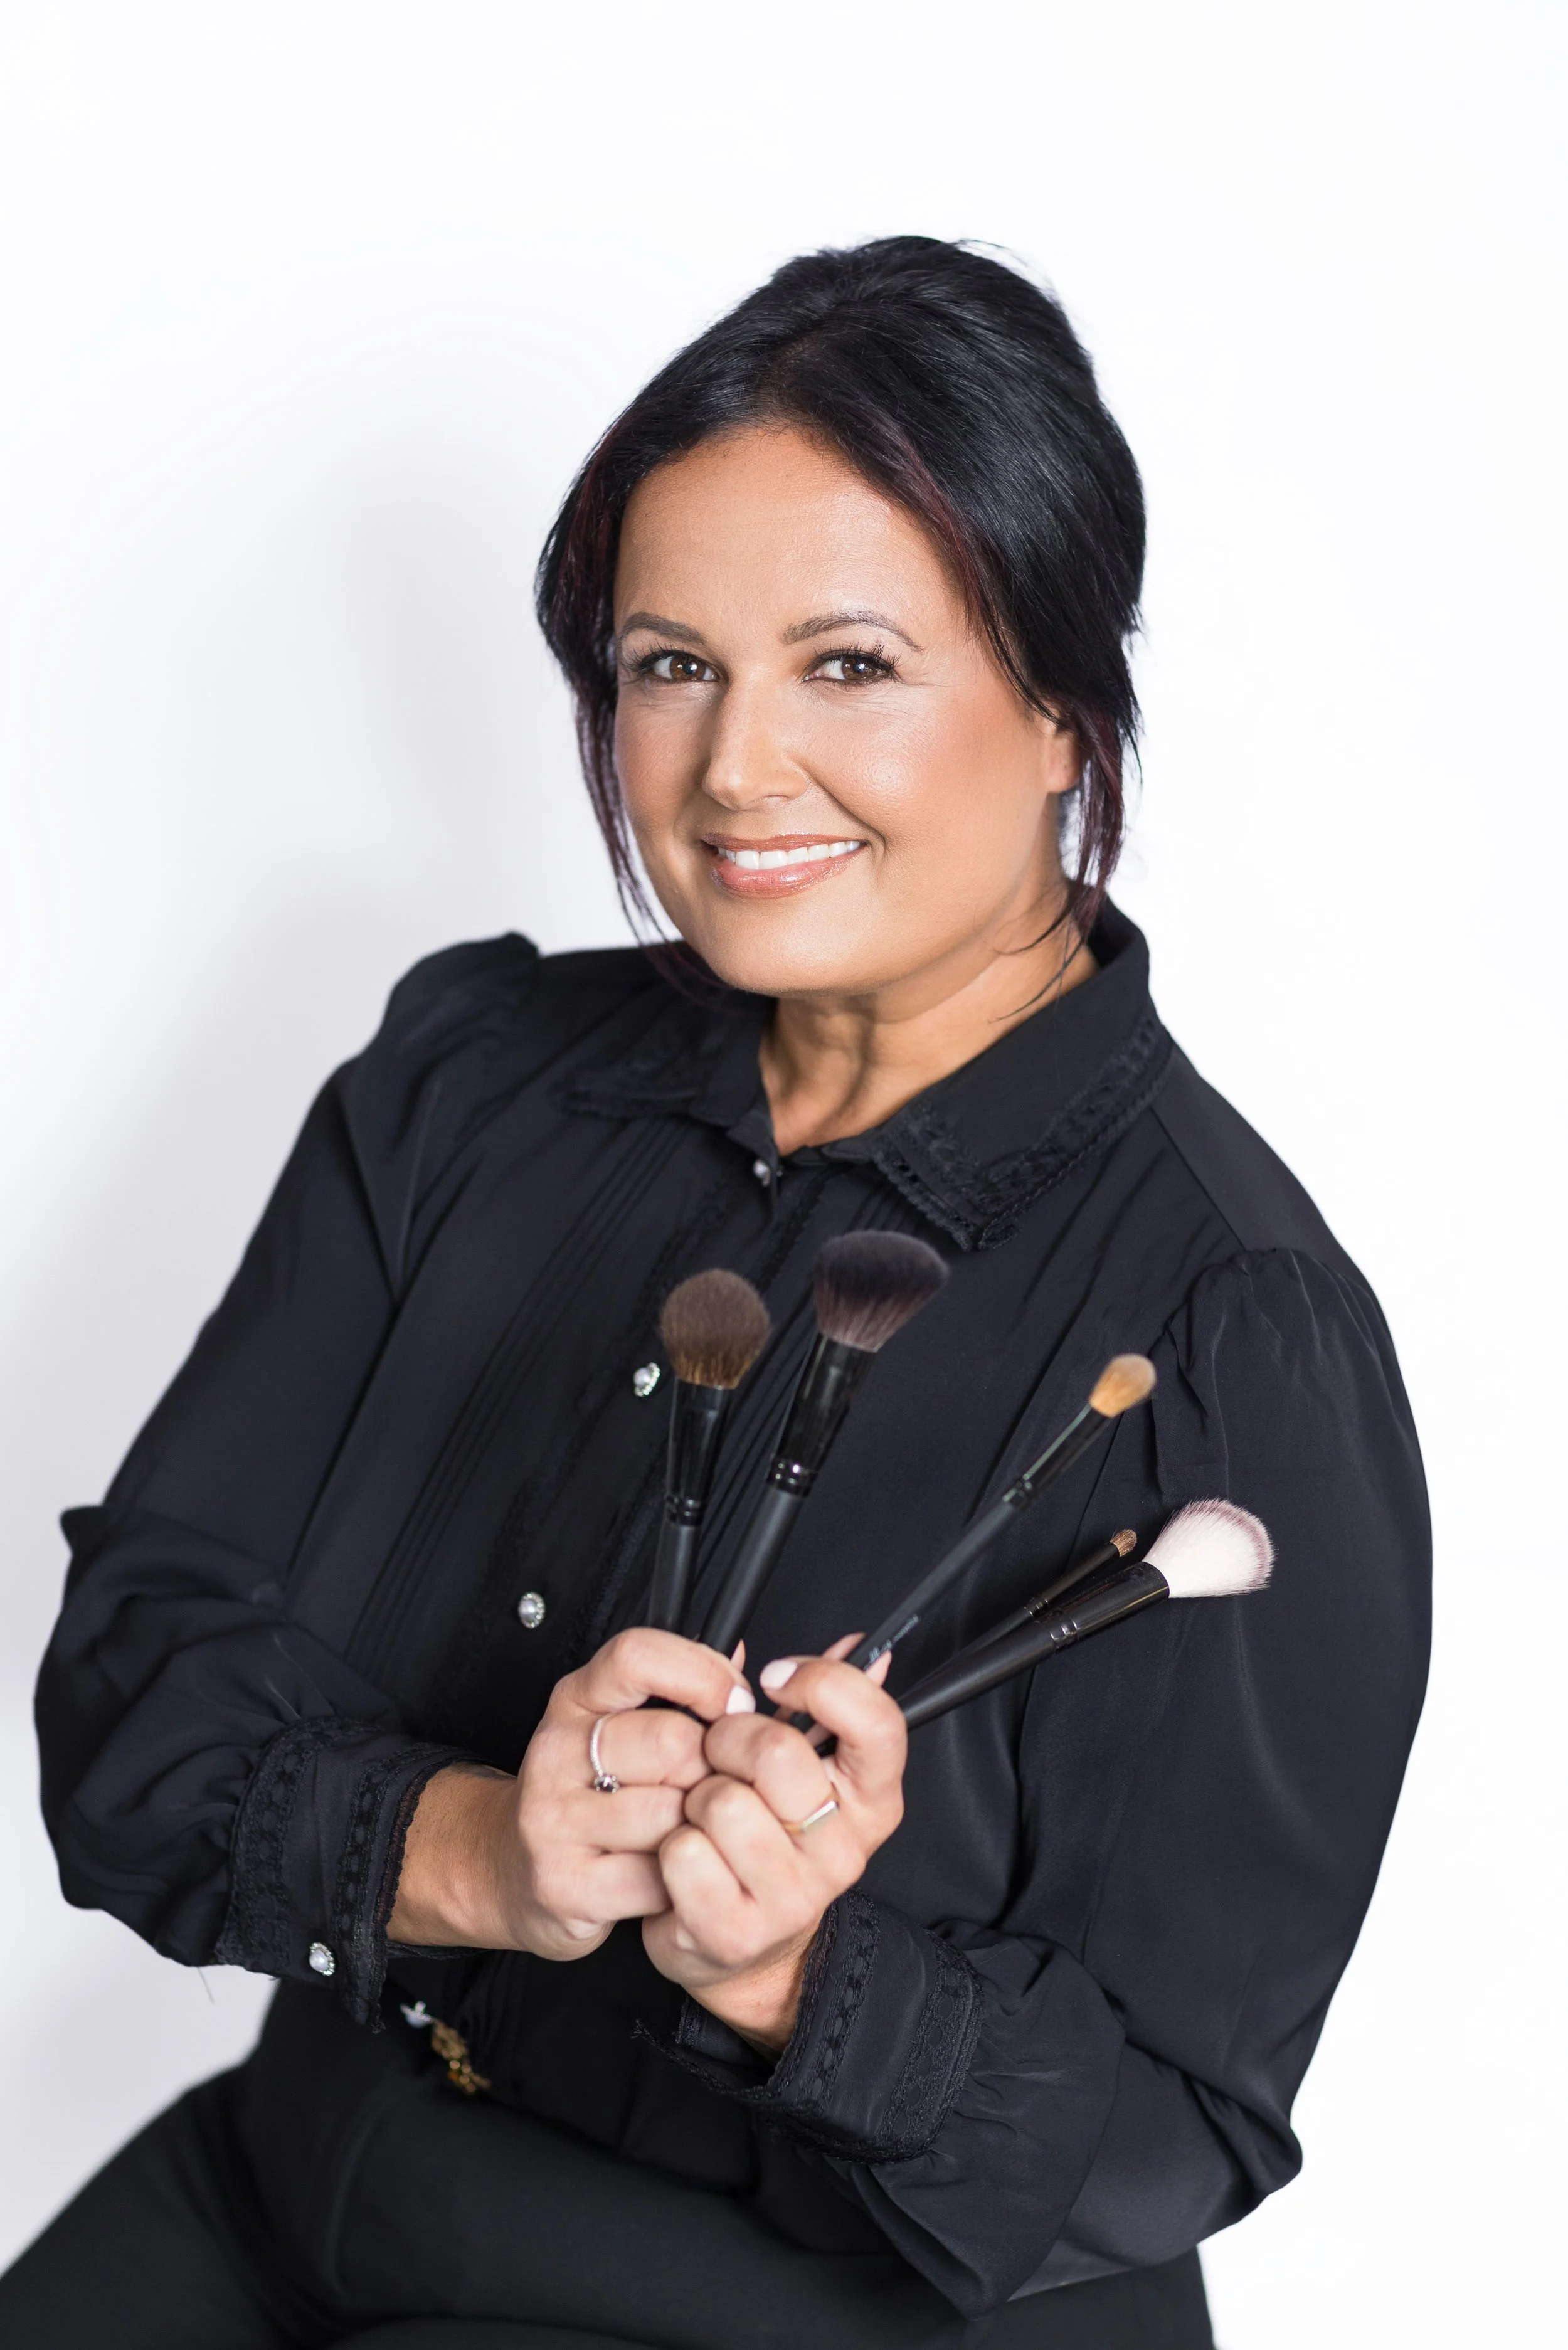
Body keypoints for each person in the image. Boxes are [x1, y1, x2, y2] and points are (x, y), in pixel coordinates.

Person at [2, 237, 1429, 2349]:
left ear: (1057, 702)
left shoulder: (1233, 1327)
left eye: (845, 664)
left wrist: (792, 1976)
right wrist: (476, 1851)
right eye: (669, 665)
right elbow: (128, 1699)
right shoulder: (468, 1084)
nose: (733, 771)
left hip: (798, 2306)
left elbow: (1176, 2120)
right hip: (304, 2180)